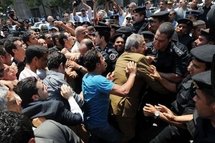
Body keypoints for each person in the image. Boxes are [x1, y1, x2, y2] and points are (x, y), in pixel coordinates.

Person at [110, 33, 168, 142]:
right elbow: (154, 84)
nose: (146, 48)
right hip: (125, 107)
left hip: (114, 103)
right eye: (143, 45)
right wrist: (168, 90)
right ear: (133, 48)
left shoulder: (122, 55)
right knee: (129, 135)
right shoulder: (139, 58)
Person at [82, 49, 137, 143]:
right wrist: (132, 74)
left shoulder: (86, 76)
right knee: (120, 139)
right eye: (102, 58)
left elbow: (97, 89)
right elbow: (124, 91)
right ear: (98, 64)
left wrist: (108, 82)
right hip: (99, 124)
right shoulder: (99, 80)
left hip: (90, 121)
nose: (104, 60)